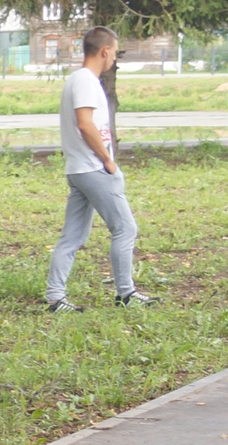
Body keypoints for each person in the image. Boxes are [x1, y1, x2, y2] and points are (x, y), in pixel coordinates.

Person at [42, 26, 153, 311]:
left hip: (79, 169)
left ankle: (55, 298)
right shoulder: (86, 81)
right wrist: (107, 160)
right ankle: (126, 294)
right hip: (92, 168)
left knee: (73, 237)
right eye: (114, 52)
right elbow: (85, 123)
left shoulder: (79, 80)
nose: (114, 58)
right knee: (125, 228)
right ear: (105, 51)